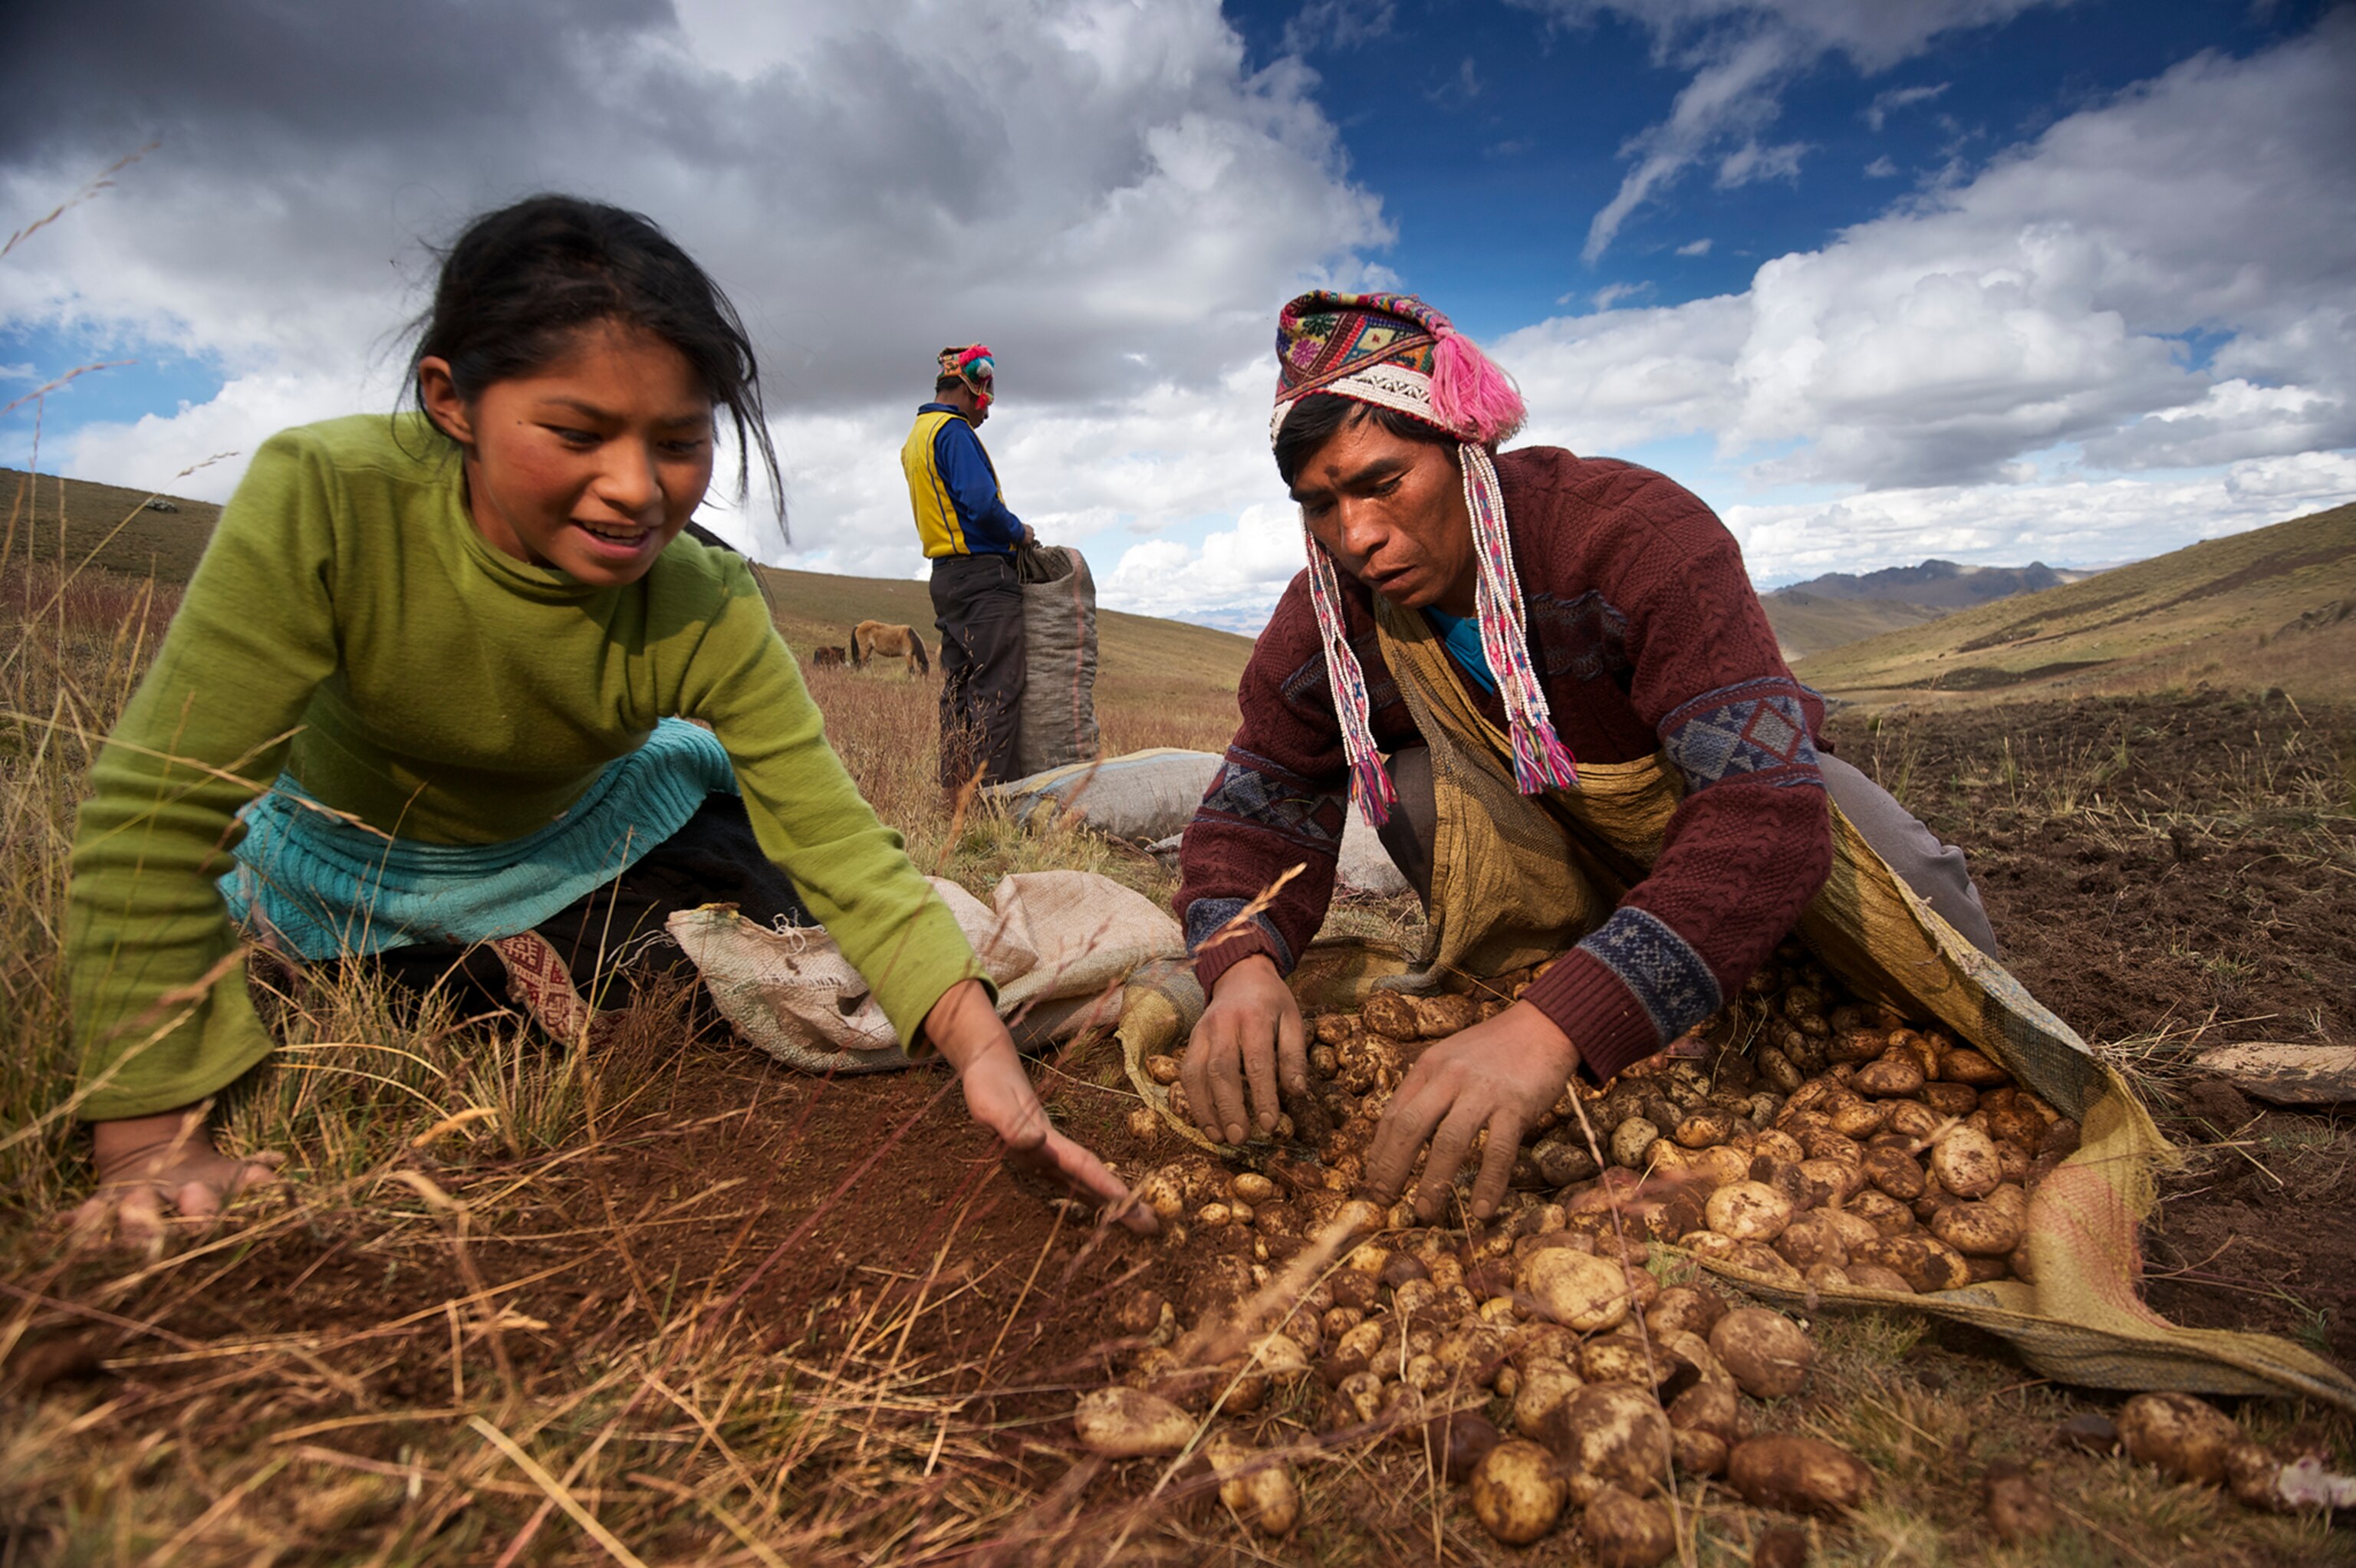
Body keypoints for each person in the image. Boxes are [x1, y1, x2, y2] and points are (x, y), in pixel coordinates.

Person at [64, 196, 1144, 1245]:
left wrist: (977, 1044)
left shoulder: (702, 596)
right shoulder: (327, 497)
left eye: (679, 442)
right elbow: (159, 805)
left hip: (593, 832)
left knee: (746, 960)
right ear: (451, 400)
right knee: (475, 997)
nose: (635, 489)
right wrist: (146, 1144)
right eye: (575, 431)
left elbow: (836, 841)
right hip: (354, 864)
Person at [1174, 290, 1997, 1224]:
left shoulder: (1632, 534)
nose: (1356, 535)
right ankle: (1587, 963)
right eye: (1320, 505)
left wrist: (1551, 1026)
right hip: (1564, 851)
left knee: (1907, 896)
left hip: (1725, 817)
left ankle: (1653, 975)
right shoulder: (1330, 613)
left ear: (1462, 444)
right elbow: (1262, 797)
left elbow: (1761, 814)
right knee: (1410, 790)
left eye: (1382, 481)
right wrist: (1240, 962)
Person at [903, 344, 1034, 790]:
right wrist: (1019, 532)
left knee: (959, 689)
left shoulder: (916, 436)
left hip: (945, 578)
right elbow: (980, 504)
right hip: (982, 579)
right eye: (987, 399)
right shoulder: (954, 432)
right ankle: (990, 798)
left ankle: (954, 789)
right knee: (998, 686)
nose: (987, 413)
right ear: (969, 387)